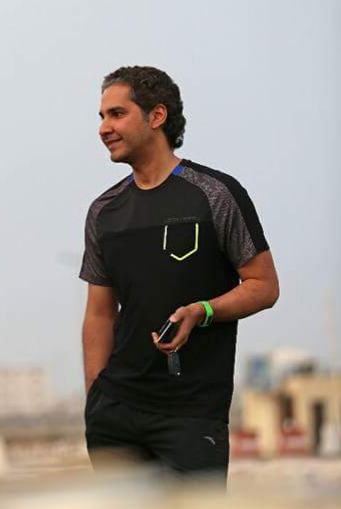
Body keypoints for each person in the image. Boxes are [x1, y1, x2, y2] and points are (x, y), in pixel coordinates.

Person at [80, 66, 279, 483]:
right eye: (101, 116)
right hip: (115, 416)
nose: (103, 128)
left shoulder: (215, 194)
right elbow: (99, 313)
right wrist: (95, 399)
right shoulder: (104, 212)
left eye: (117, 114)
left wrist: (201, 311)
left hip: (191, 416)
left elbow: (264, 286)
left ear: (157, 115)